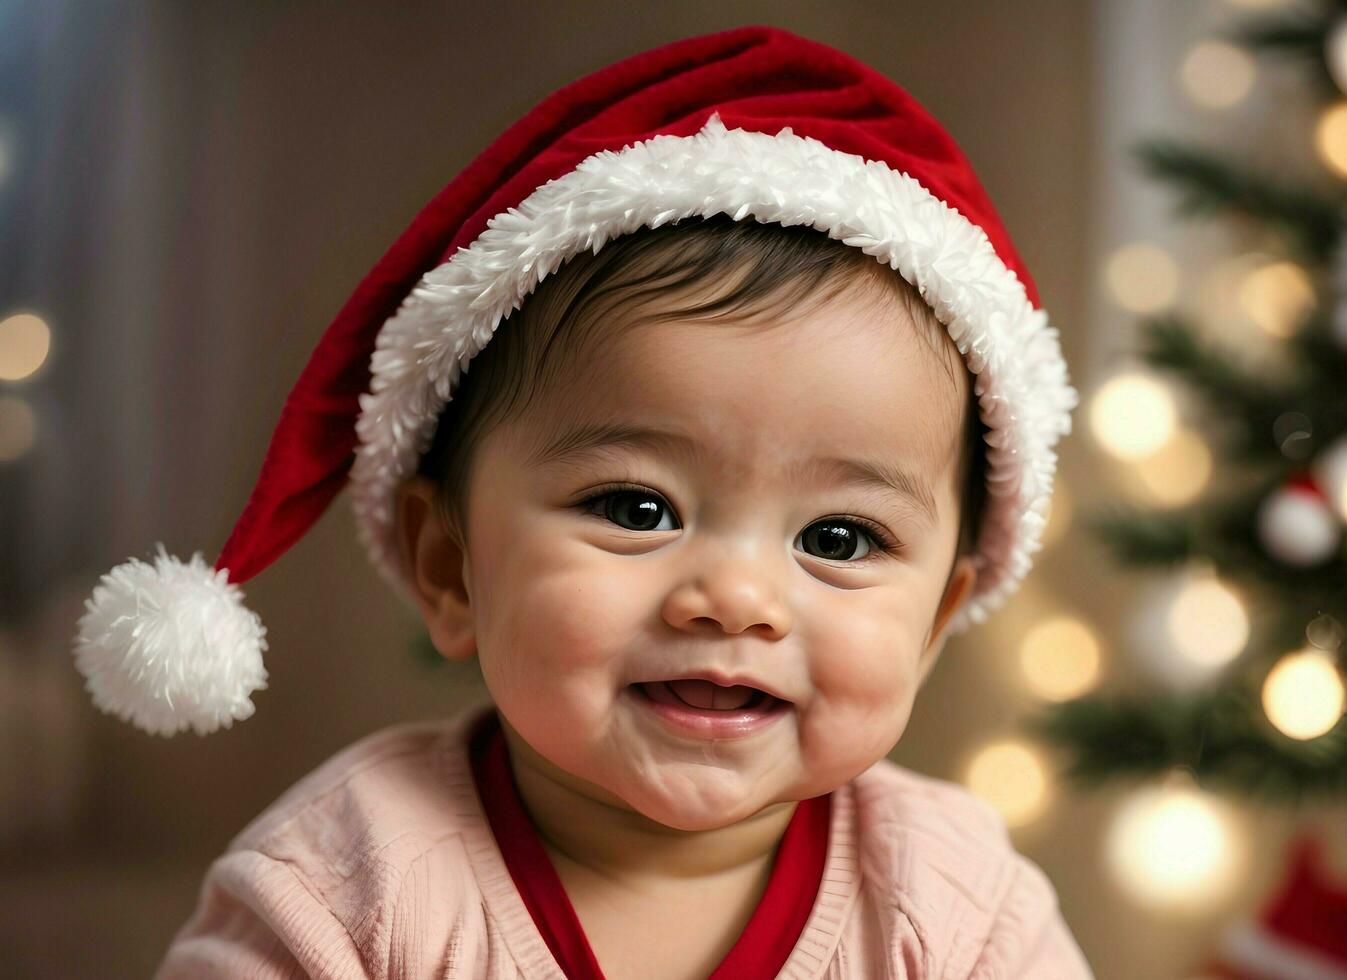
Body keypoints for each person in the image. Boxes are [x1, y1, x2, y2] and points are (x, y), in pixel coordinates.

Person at [73, 24, 1088, 979]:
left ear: (938, 618)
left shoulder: (959, 904)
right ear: (448, 563)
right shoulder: (345, 885)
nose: (732, 596)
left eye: (837, 535)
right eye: (636, 507)